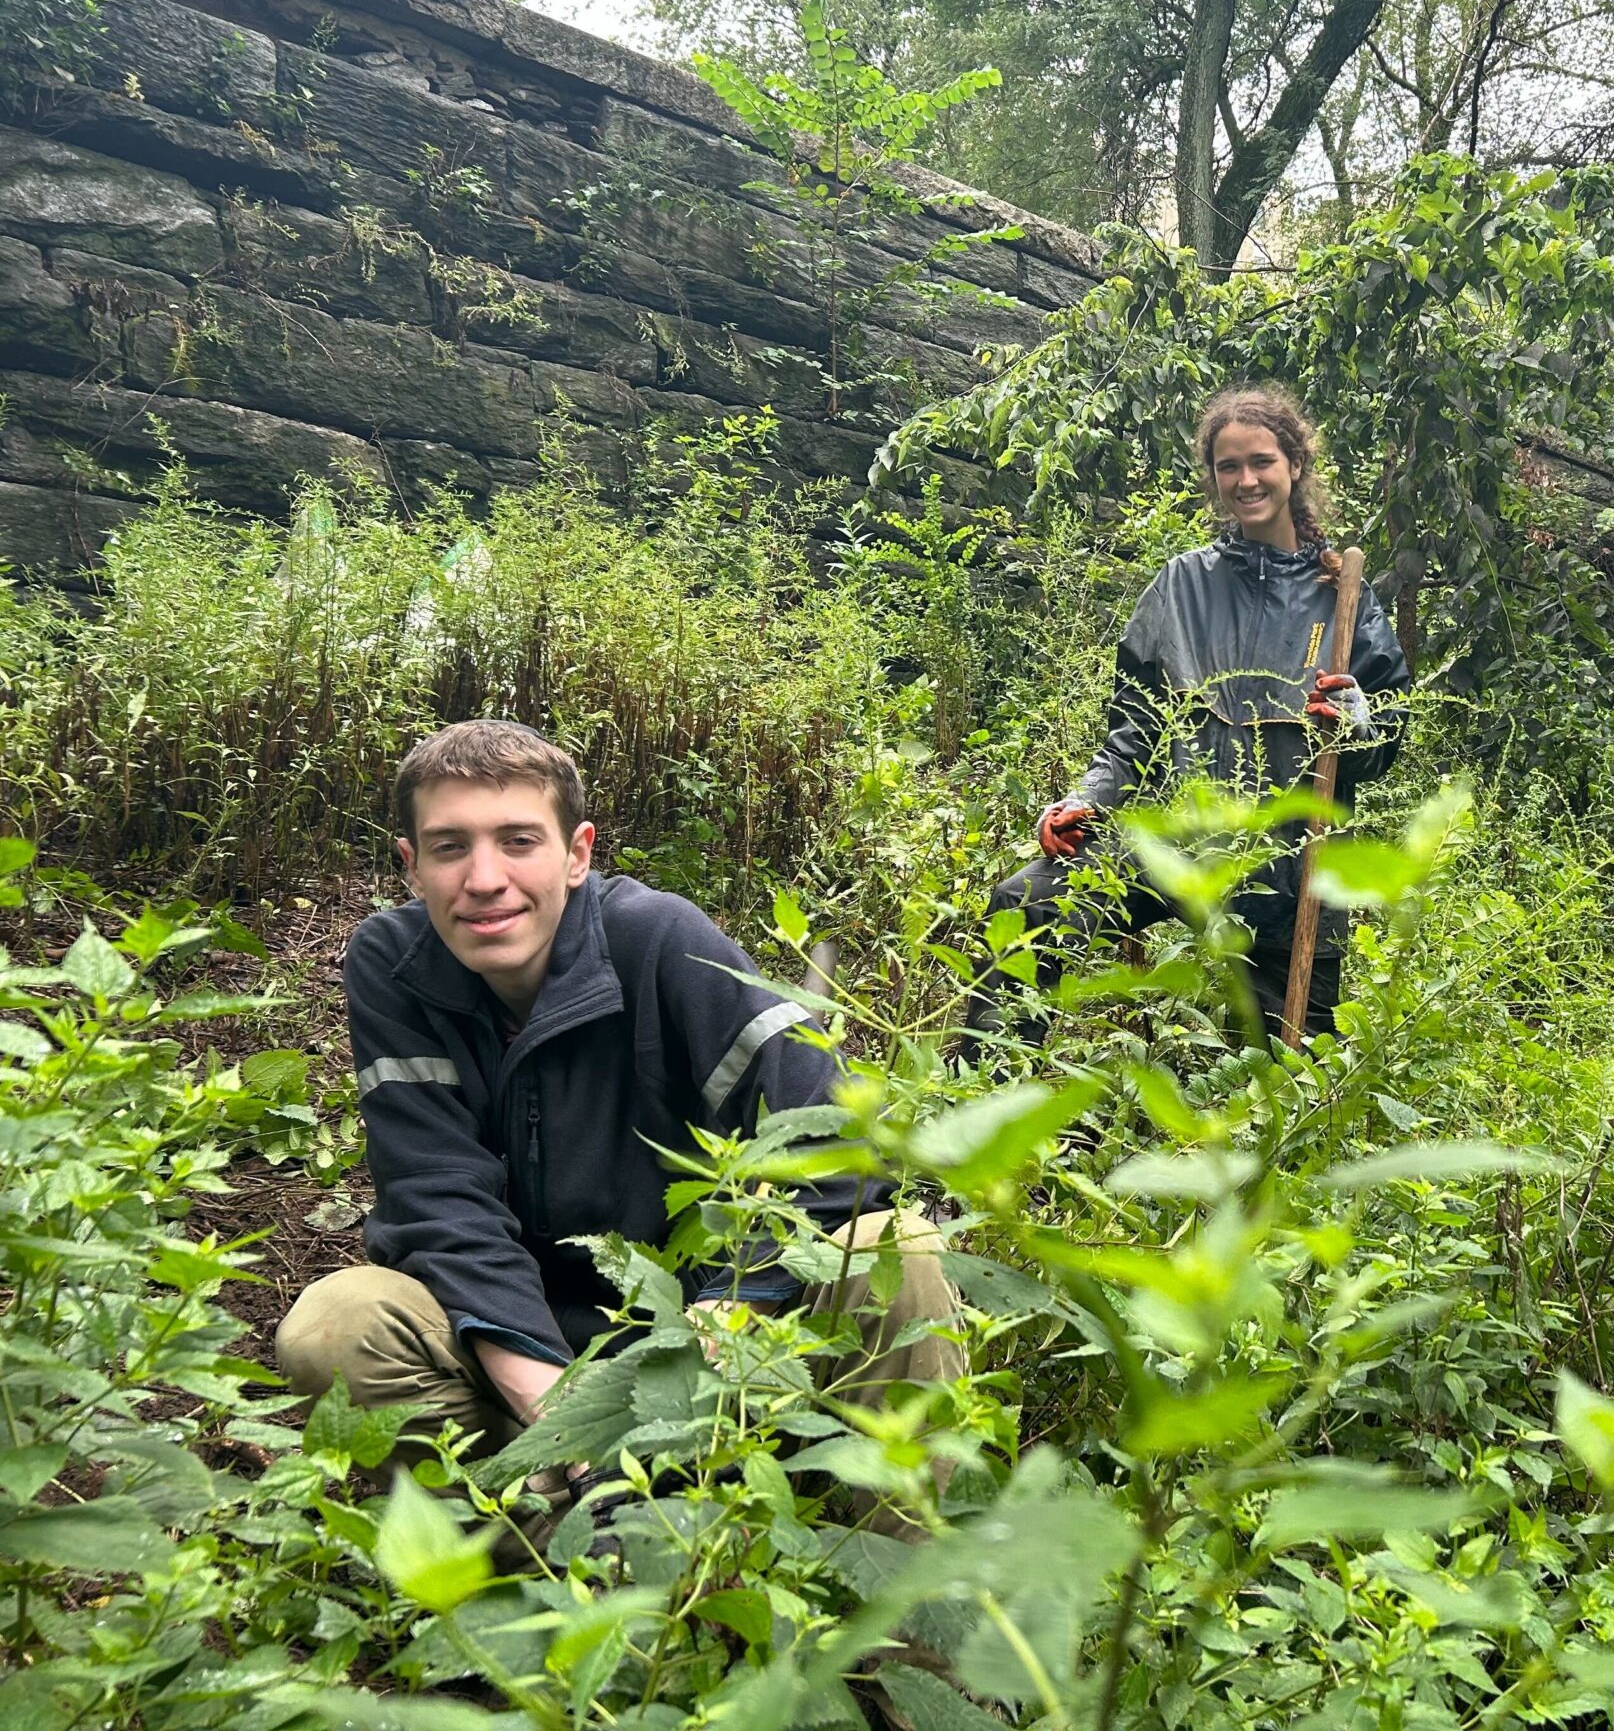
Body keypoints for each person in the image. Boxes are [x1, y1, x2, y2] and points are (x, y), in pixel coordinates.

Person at [276, 719, 958, 1499]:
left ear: (578, 854)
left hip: (718, 1345)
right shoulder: (392, 966)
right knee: (335, 1325)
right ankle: (543, 1564)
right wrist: (556, 1407)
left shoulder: (658, 940)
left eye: (520, 840)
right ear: (412, 867)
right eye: (450, 846)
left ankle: (881, 1584)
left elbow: (841, 1141)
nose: (485, 878)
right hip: (526, 1349)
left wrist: (710, 1336)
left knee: (894, 1249)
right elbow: (436, 1196)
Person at [970, 386, 1412, 1046]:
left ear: (1294, 464)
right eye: (1228, 466)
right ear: (1212, 478)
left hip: (1289, 875)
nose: (1246, 479)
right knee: (1028, 903)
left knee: (1291, 1065)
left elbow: (1385, 741)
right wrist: (1086, 797)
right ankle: (984, 1090)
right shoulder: (1180, 585)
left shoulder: (1343, 596)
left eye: (1261, 461)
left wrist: (1359, 721)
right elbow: (1133, 730)